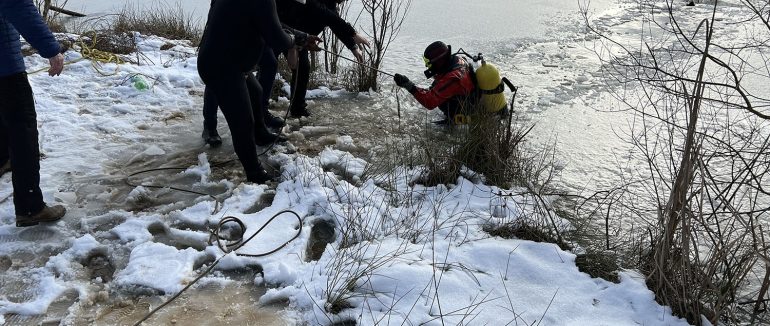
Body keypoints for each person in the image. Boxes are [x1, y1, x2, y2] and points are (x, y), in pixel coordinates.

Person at [197, 0, 318, 183]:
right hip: (221, 66)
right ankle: (254, 172)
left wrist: (301, 36)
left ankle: (260, 134)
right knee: (243, 121)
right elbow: (276, 38)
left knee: (256, 91)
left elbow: (270, 21)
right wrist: (294, 40)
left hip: (231, 61)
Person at [0, 0, 67, 227]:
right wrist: (51, 50)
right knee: (22, 130)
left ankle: (3, 159)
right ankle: (30, 208)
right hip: (5, 69)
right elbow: (18, 6)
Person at [270, 0, 370, 118]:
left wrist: (353, 46)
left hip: (300, 36)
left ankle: (298, 109)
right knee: (269, 63)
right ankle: (259, 107)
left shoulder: (330, 4)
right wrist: (353, 33)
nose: (344, 1)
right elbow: (327, 15)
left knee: (303, 68)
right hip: (280, 27)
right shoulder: (317, 3)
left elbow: (335, 23)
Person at [393, 41, 478, 125]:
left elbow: (429, 102)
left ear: (439, 61)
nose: (427, 66)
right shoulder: (456, 60)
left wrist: (409, 85)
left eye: (429, 63)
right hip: (469, 98)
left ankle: (456, 123)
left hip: (464, 116)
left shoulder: (452, 78)